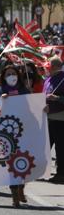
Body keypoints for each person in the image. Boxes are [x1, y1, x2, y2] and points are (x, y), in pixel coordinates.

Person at [0, 65, 30, 207]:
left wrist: (42, 107)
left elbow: (32, 106)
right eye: (8, 74)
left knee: (24, 160)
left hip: (23, 130)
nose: (11, 76)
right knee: (11, 163)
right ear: (4, 77)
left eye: (13, 73)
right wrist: (0, 101)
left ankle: (21, 188)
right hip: (6, 132)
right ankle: (14, 193)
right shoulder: (0, 91)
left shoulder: (24, 90)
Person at [43, 56, 64, 184]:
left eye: (49, 65)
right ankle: (42, 170)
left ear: (55, 66)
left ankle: (61, 174)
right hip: (47, 117)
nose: (46, 67)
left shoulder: (63, 79)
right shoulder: (48, 79)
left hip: (60, 118)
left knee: (60, 148)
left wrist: (57, 98)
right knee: (45, 147)